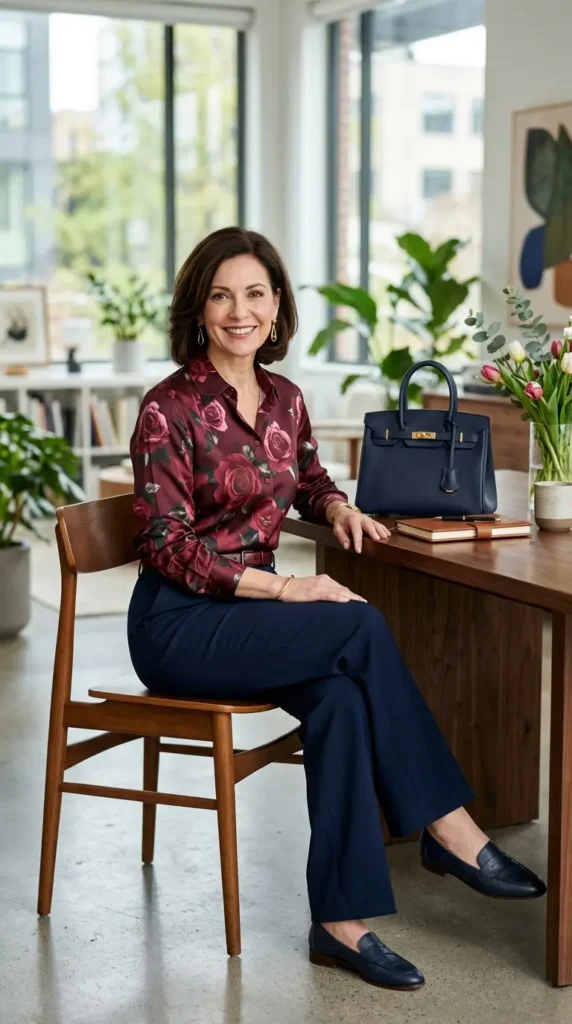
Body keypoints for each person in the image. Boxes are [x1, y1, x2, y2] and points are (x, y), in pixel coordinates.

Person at [127, 226, 546, 991]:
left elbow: (310, 478)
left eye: (255, 293)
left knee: (341, 699)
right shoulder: (170, 407)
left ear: (278, 305)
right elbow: (166, 544)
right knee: (354, 622)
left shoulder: (285, 399)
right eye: (221, 295)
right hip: (178, 623)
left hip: (246, 622)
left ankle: (340, 925)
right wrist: (289, 588)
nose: (239, 310)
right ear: (198, 308)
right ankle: (450, 830)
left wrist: (338, 508)